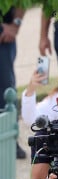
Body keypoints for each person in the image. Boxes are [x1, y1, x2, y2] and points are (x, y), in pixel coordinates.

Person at [0, 6, 26, 159]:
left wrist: (15, 25)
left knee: (5, 90)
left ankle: (10, 141)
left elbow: (22, 2)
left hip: (3, 34)